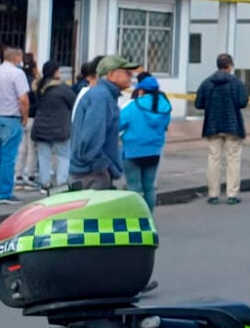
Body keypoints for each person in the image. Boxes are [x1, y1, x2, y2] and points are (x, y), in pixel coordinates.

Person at [69, 55, 139, 191]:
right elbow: (90, 140)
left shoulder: (104, 95)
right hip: (91, 175)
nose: (131, 76)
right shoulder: (101, 97)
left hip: (91, 172)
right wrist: (103, 168)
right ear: (111, 74)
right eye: (127, 72)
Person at [195, 53, 250, 205]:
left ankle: (213, 194)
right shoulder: (236, 83)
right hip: (233, 126)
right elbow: (243, 101)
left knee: (213, 159)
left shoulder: (207, 83)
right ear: (230, 66)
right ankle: (232, 194)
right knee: (233, 159)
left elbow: (198, 103)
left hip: (213, 125)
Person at [0, 47, 30, 205]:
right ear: (16, 57)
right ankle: (5, 193)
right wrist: (24, 117)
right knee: (8, 158)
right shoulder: (17, 74)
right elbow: (23, 99)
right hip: (11, 118)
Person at [120, 73, 172, 211]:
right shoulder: (164, 106)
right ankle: (149, 219)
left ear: (141, 90)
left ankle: (137, 220)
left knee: (134, 188)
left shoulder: (133, 106)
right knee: (149, 187)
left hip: (132, 151)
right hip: (154, 151)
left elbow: (118, 124)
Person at [30, 60, 75, 194]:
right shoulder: (63, 89)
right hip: (60, 128)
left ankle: (45, 184)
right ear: (56, 72)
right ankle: (62, 184)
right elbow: (73, 102)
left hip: (40, 128)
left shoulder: (37, 88)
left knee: (44, 157)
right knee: (64, 156)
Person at [14, 53, 39, 188]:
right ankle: (29, 174)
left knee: (21, 147)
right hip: (32, 117)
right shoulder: (35, 82)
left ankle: (18, 172)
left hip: (19, 116)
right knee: (32, 148)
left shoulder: (19, 79)